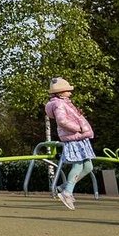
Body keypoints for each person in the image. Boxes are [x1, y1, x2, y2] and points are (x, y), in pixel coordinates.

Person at [44, 77, 95, 209]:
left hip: (80, 137)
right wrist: (78, 128)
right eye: (67, 90)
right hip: (74, 138)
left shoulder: (65, 103)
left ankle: (64, 187)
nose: (70, 93)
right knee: (78, 165)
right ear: (61, 93)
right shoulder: (59, 104)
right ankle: (67, 192)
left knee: (88, 167)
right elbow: (62, 121)